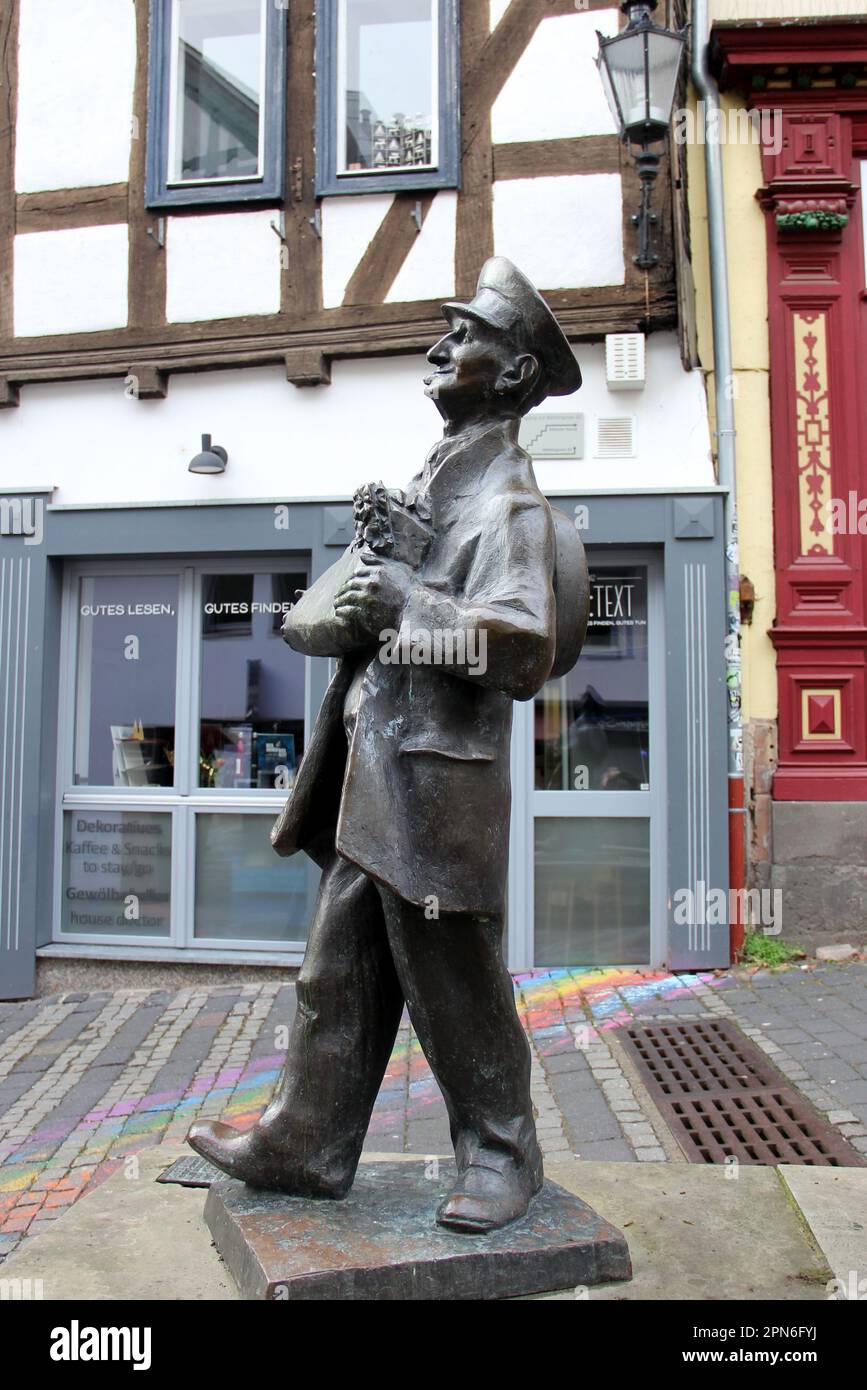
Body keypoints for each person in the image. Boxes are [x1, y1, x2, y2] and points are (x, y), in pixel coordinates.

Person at [188, 258, 583, 1232]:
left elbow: (524, 649)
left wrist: (412, 601)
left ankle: (503, 1149)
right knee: (336, 970)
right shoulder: (429, 496)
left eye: (466, 334)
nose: (438, 346)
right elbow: (315, 624)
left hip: (435, 790)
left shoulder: (509, 507)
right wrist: (376, 576)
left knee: (449, 977)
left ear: (517, 375)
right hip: (377, 776)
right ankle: (307, 1143)